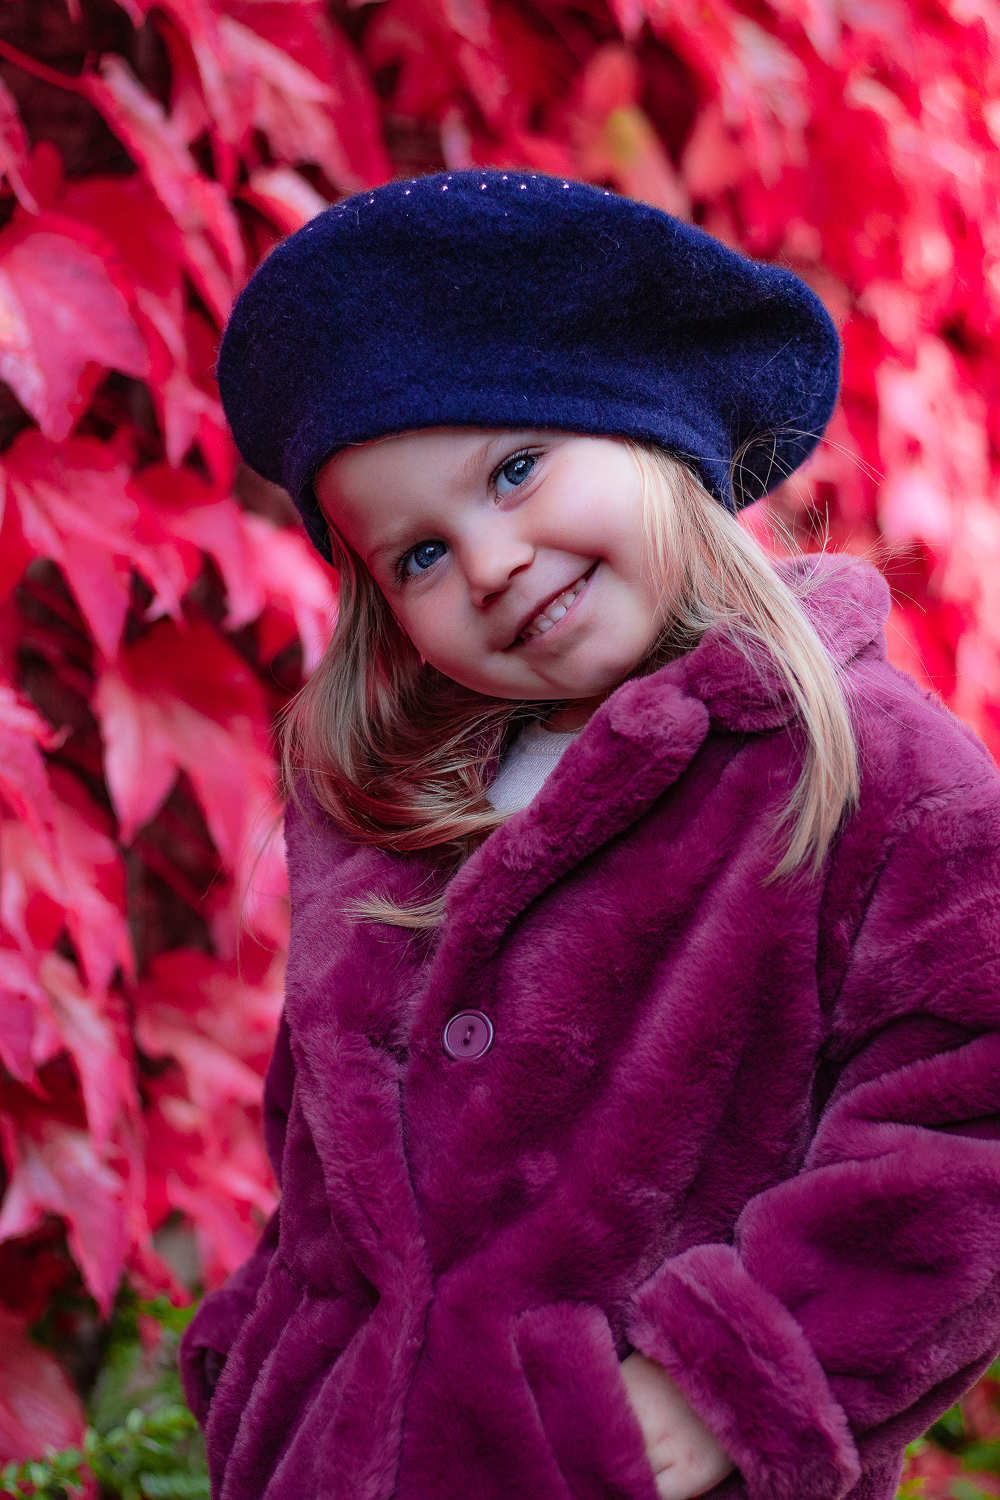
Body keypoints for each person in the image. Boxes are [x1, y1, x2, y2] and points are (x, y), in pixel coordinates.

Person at [179, 169, 1000, 1500]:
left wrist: (732, 1376)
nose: (492, 559)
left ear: (655, 434)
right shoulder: (398, 817)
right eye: (421, 557)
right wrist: (262, 1368)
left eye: (515, 469)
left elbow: (969, 1121)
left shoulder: (866, 769)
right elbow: (329, 1171)